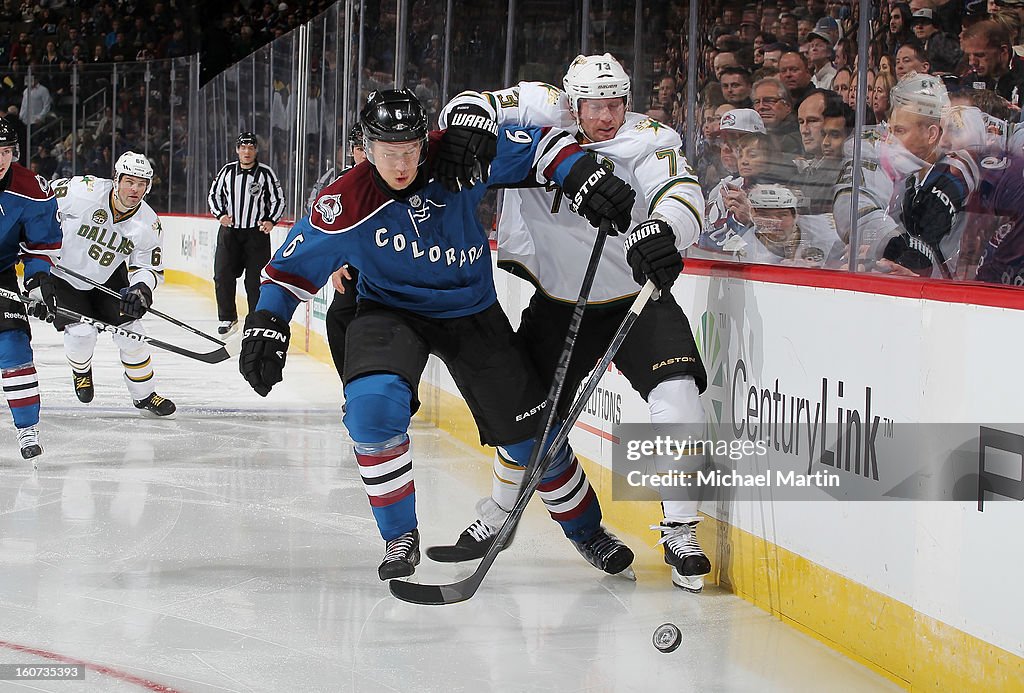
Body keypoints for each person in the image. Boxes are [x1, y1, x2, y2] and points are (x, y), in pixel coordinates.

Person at [239, 89, 640, 582]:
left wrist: (582, 174)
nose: (402, 163)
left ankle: (588, 533)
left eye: (410, 149)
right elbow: (286, 273)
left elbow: (541, 146)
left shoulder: (456, 153)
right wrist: (267, 324)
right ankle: (399, 537)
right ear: (365, 145)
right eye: (388, 152)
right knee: (372, 410)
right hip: (389, 311)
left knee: (533, 438)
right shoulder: (344, 200)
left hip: (471, 312)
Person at [436, 54, 714, 592]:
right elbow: (473, 107)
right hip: (559, 304)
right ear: (572, 101)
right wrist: (468, 118)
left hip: (637, 299)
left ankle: (680, 529)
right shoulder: (543, 110)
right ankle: (500, 509)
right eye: (594, 105)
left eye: (616, 104)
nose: (606, 116)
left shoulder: (649, 138)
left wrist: (664, 229)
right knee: (526, 420)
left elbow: (681, 192)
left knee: (679, 396)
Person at [49, 152, 176, 417]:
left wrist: (141, 289)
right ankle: (82, 371)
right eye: (129, 181)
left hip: (108, 279)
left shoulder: (149, 223)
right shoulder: (83, 190)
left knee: (133, 334)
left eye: (142, 183)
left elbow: (147, 267)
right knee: (82, 334)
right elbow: (41, 200)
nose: (135, 189)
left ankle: (145, 395)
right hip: (64, 276)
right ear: (116, 179)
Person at [0, 118, 61, 459]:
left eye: (6, 151)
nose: (0, 160)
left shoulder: (30, 188)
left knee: (14, 347)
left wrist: (38, 281)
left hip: (2, 272)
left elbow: (41, 246)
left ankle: (27, 430)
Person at [207, 131, 285, 336]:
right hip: (229, 233)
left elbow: (278, 199)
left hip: (256, 235)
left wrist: (271, 220)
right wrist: (220, 215)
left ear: (256, 150)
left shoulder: (266, 173)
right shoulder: (227, 171)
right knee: (222, 275)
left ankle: (254, 320)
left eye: (250, 147)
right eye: (243, 147)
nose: (247, 151)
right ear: (237, 150)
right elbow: (213, 195)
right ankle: (227, 318)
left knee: (255, 281)